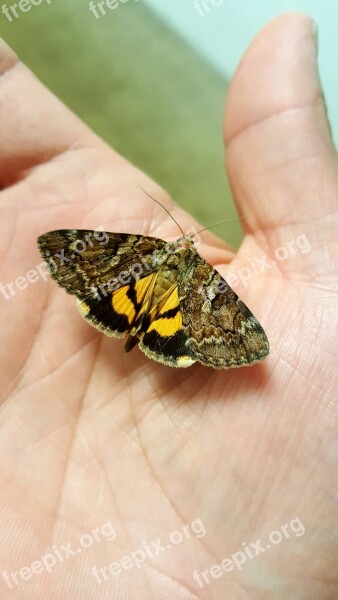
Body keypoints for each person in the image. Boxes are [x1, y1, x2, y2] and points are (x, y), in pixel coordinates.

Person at [0, 13, 337, 598]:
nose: (186, 242)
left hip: (130, 301)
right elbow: (64, 249)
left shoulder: (146, 251)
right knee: (150, 304)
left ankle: (131, 321)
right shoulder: (200, 275)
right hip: (169, 316)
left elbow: (251, 343)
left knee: (132, 296)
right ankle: (147, 328)